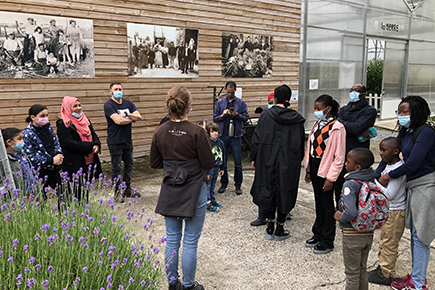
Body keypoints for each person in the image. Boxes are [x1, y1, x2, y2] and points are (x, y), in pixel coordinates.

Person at [150, 86, 214, 290]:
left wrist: (173, 165)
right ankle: (188, 285)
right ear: (188, 105)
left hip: (170, 187)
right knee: (190, 241)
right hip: (195, 188)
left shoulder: (160, 130)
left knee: (172, 239)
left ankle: (172, 283)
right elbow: (209, 163)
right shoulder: (197, 132)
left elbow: (154, 162)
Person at [378, 96, 435, 290]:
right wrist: (375, 175)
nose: (400, 116)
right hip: (413, 185)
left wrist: (388, 177)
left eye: (404, 112)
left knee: (421, 235)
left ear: (417, 112)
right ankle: (416, 276)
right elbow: (389, 153)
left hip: (426, 185)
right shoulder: (406, 131)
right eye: (399, 112)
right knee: (414, 234)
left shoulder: (426, 132)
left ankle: (418, 284)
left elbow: (413, 164)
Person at [250, 85, 305, 241]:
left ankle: (269, 226)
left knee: (268, 188)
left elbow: (257, 138)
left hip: (267, 158)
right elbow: (301, 144)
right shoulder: (297, 119)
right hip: (289, 161)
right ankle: (280, 227)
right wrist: (297, 161)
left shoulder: (266, 115)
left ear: (275, 98)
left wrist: (254, 157)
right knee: (284, 190)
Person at [304, 94, 345, 254]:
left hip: (327, 169)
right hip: (315, 166)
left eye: (319, 109)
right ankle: (318, 233)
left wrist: (331, 178)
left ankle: (328, 240)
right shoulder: (317, 123)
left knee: (328, 205)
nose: (316, 111)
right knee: (318, 202)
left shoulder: (338, 127)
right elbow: (311, 146)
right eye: (315, 109)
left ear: (328, 109)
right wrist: (308, 169)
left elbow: (339, 157)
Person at [334, 147, 376, 290]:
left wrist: (341, 217)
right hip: (367, 232)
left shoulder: (350, 184)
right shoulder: (371, 180)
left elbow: (351, 211)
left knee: (352, 273)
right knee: (362, 270)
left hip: (352, 234)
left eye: (348, 161)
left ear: (357, 167)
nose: (345, 164)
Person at [367, 137, 406, 286]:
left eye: (384, 150)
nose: (381, 153)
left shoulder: (397, 170)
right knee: (384, 240)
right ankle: (382, 267)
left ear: (396, 151)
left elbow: (389, 195)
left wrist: (375, 183)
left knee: (389, 243)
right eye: (380, 149)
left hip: (395, 212)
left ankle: (386, 273)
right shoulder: (388, 166)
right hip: (388, 211)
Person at [334, 84, 377, 206]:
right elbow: (344, 127)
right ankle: (340, 209)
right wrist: (353, 127)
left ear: (364, 94)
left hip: (358, 154)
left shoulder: (370, 111)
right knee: (340, 184)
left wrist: (344, 125)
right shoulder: (344, 109)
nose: (353, 93)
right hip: (342, 153)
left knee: (356, 186)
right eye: (351, 90)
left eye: (356, 91)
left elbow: (356, 128)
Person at [57, 96, 102, 201]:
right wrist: (90, 147)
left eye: (79, 105)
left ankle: (84, 213)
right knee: (73, 193)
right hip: (75, 163)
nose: (78, 108)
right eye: (74, 106)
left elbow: (93, 134)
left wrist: (96, 144)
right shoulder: (64, 124)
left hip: (89, 162)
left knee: (84, 193)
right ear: (68, 108)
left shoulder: (85, 119)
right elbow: (68, 143)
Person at [104, 82, 142, 199]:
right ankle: (117, 192)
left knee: (129, 164)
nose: (118, 91)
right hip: (115, 141)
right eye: (116, 89)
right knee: (116, 167)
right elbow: (118, 121)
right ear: (111, 91)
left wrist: (126, 115)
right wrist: (131, 118)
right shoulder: (109, 105)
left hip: (127, 140)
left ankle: (127, 189)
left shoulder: (128, 103)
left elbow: (139, 116)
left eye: (120, 89)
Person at [213, 81, 249, 195]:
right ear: (225, 90)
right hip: (223, 136)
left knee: (238, 162)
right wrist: (222, 115)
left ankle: (238, 185)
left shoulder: (241, 103)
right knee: (222, 161)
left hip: (236, 136)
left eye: (232, 92)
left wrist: (236, 115)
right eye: (228, 92)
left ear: (235, 90)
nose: (230, 94)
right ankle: (224, 183)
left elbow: (246, 118)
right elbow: (215, 119)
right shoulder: (220, 103)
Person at [23, 104, 63, 196]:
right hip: (39, 170)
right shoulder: (27, 134)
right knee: (41, 197)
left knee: (63, 193)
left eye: (46, 115)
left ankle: (63, 210)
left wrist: (58, 154)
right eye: (42, 116)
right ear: (33, 117)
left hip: (53, 168)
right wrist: (51, 160)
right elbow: (30, 157)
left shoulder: (47, 127)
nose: (45, 118)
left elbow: (55, 142)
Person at [1, 127, 36, 196]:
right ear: (9, 142)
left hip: (31, 193)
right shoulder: (5, 160)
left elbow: (32, 173)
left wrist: (37, 190)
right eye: (19, 139)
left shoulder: (23, 155)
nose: (22, 141)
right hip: (18, 196)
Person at [205, 122, 225, 212]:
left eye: (215, 131)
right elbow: (205, 158)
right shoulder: (207, 144)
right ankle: (207, 202)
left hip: (217, 167)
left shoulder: (221, 142)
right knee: (208, 186)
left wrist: (223, 168)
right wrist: (207, 172)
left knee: (213, 185)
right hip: (210, 168)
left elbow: (223, 155)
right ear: (208, 133)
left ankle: (212, 200)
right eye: (212, 131)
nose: (214, 133)